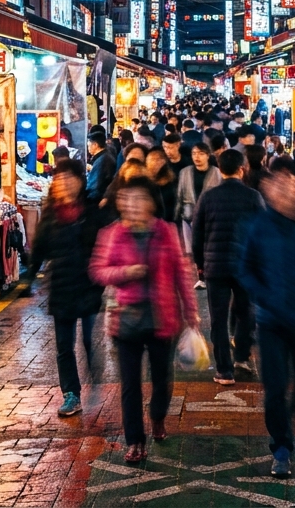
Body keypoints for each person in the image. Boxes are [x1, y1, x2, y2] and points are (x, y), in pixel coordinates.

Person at [89, 178, 200, 464]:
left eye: (139, 198)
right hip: (126, 320)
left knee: (162, 380)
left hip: (162, 317)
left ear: (151, 202)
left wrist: (191, 314)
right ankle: (135, 440)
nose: (132, 204)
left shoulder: (166, 232)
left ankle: (158, 416)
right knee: (130, 385)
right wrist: (126, 272)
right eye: (126, 198)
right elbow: (99, 271)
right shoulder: (112, 234)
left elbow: (181, 274)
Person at [237, 156, 295, 478]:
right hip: (270, 321)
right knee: (275, 388)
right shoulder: (260, 225)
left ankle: (286, 421)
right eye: (279, 183)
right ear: (269, 188)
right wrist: (264, 296)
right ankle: (281, 447)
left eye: (292, 183)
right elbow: (245, 269)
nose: (285, 190)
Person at [30, 161, 103, 417]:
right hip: (61, 286)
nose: (63, 183)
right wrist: (28, 280)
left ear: (80, 181)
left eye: (69, 178)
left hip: (88, 284)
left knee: (87, 339)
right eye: (59, 179)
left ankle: (95, 375)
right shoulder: (50, 215)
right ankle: (71, 394)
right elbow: (38, 249)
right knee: (64, 345)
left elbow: (103, 245)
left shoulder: (91, 210)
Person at [191, 149, 266, 385]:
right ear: (242, 169)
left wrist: (201, 265)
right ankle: (242, 357)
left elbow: (197, 235)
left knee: (218, 319)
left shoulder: (208, 197)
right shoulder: (253, 197)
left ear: (220, 170)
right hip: (245, 266)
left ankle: (224, 370)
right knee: (245, 313)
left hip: (216, 267)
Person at [145, 147, 178, 221]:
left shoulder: (170, 181)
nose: (156, 162)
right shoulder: (144, 181)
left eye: (159, 159)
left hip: (167, 222)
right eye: (153, 159)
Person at [86, 131, 116, 210]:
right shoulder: (106, 156)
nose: (88, 149)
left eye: (89, 146)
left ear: (95, 145)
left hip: (98, 202)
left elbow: (95, 187)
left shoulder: (102, 160)